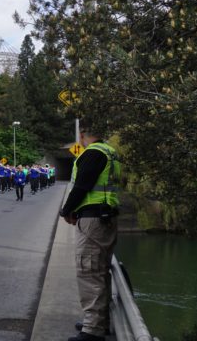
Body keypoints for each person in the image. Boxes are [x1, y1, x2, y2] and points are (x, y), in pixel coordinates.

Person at [59, 124, 121, 341]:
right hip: (105, 217)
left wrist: (66, 210)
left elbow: (82, 186)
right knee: (100, 271)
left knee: (89, 271)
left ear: (82, 135)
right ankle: (98, 322)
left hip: (93, 220)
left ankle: (92, 331)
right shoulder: (111, 152)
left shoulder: (93, 153)